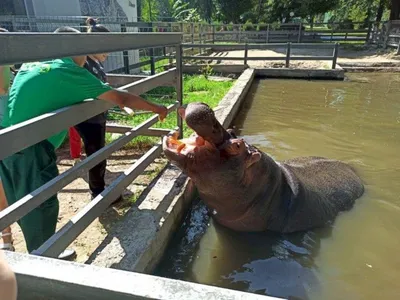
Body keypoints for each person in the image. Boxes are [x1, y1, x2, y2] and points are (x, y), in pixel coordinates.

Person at [0, 26, 168, 258]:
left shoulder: (34, 62)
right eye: (84, 51)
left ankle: (36, 250)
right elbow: (120, 97)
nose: (86, 57)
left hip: (8, 140)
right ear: (73, 49)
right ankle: (43, 262)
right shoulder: (68, 70)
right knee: (41, 205)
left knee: (21, 201)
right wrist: (156, 108)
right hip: (31, 149)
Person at [72, 18, 122, 203]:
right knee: (96, 153)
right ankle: (98, 192)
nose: (107, 53)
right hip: (89, 115)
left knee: (98, 150)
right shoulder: (84, 62)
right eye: (105, 48)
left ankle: (99, 189)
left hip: (98, 112)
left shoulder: (96, 62)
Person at [0, 27, 14, 252]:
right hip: (5, 121)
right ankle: (7, 240)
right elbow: (4, 89)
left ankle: (7, 239)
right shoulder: (6, 62)